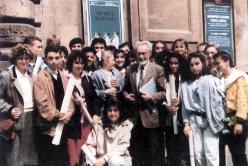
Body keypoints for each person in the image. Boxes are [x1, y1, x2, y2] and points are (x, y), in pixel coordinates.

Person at [124, 41, 166, 166]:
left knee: (153, 155)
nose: (141, 57)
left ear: (150, 53)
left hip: (152, 118)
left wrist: (152, 97)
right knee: (137, 154)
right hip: (135, 119)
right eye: (138, 54)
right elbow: (125, 90)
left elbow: (164, 93)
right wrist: (126, 95)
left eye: (144, 53)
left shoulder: (158, 69)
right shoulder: (130, 69)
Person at [181, 52, 225, 166]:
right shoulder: (185, 84)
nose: (194, 67)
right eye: (191, 65)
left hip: (209, 119)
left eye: (197, 64)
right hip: (194, 120)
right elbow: (184, 107)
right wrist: (186, 124)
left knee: (211, 152)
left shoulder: (210, 79)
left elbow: (219, 100)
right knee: (198, 154)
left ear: (203, 64)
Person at [34, 44, 74, 166]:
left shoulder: (64, 76)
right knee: (50, 161)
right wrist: (59, 115)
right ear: (45, 59)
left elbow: (70, 100)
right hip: (48, 129)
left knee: (63, 160)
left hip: (63, 127)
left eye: (57, 58)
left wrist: (69, 113)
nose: (54, 61)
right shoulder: (40, 78)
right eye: (50, 58)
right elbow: (43, 105)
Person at [0, 44, 38, 166]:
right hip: (15, 122)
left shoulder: (32, 76)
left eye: (27, 58)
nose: (24, 61)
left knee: (30, 159)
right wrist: (9, 109)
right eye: (20, 58)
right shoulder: (7, 75)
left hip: (31, 120)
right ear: (15, 59)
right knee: (15, 160)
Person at [213, 51, 248, 166]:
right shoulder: (221, 79)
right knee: (227, 152)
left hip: (237, 120)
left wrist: (239, 122)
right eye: (215, 63)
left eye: (219, 63)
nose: (217, 66)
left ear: (227, 61)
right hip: (225, 121)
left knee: (238, 153)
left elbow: (242, 100)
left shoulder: (239, 77)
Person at [65, 51, 100, 166]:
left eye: (81, 63)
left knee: (85, 154)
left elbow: (94, 99)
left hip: (86, 121)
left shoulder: (87, 79)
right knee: (73, 156)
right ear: (71, 64)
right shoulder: (65, 79)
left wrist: (96, 114)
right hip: (72, 123)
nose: (79, 66)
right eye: (76, 63)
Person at [85, 99, 133, 166]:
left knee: (113, 161)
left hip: (118, 159)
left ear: (120, 111)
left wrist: (105, 159)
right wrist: (92, 159)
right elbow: (90, 144)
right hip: (99, 160)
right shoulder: (99, 126)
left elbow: (122, 147)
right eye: (110, 110)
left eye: (115, 110)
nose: (112, 113)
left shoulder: (126, 126)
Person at [163, 52, 190, 166]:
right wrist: (166, 105)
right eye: (171, 63)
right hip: (169, 121)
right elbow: (161, 96)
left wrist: (181, 100)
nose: (173, 66)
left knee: (184, 152)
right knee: (171, 151)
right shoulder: (164, 79)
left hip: (183, 120)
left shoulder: (185, 78)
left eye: (176, 63)